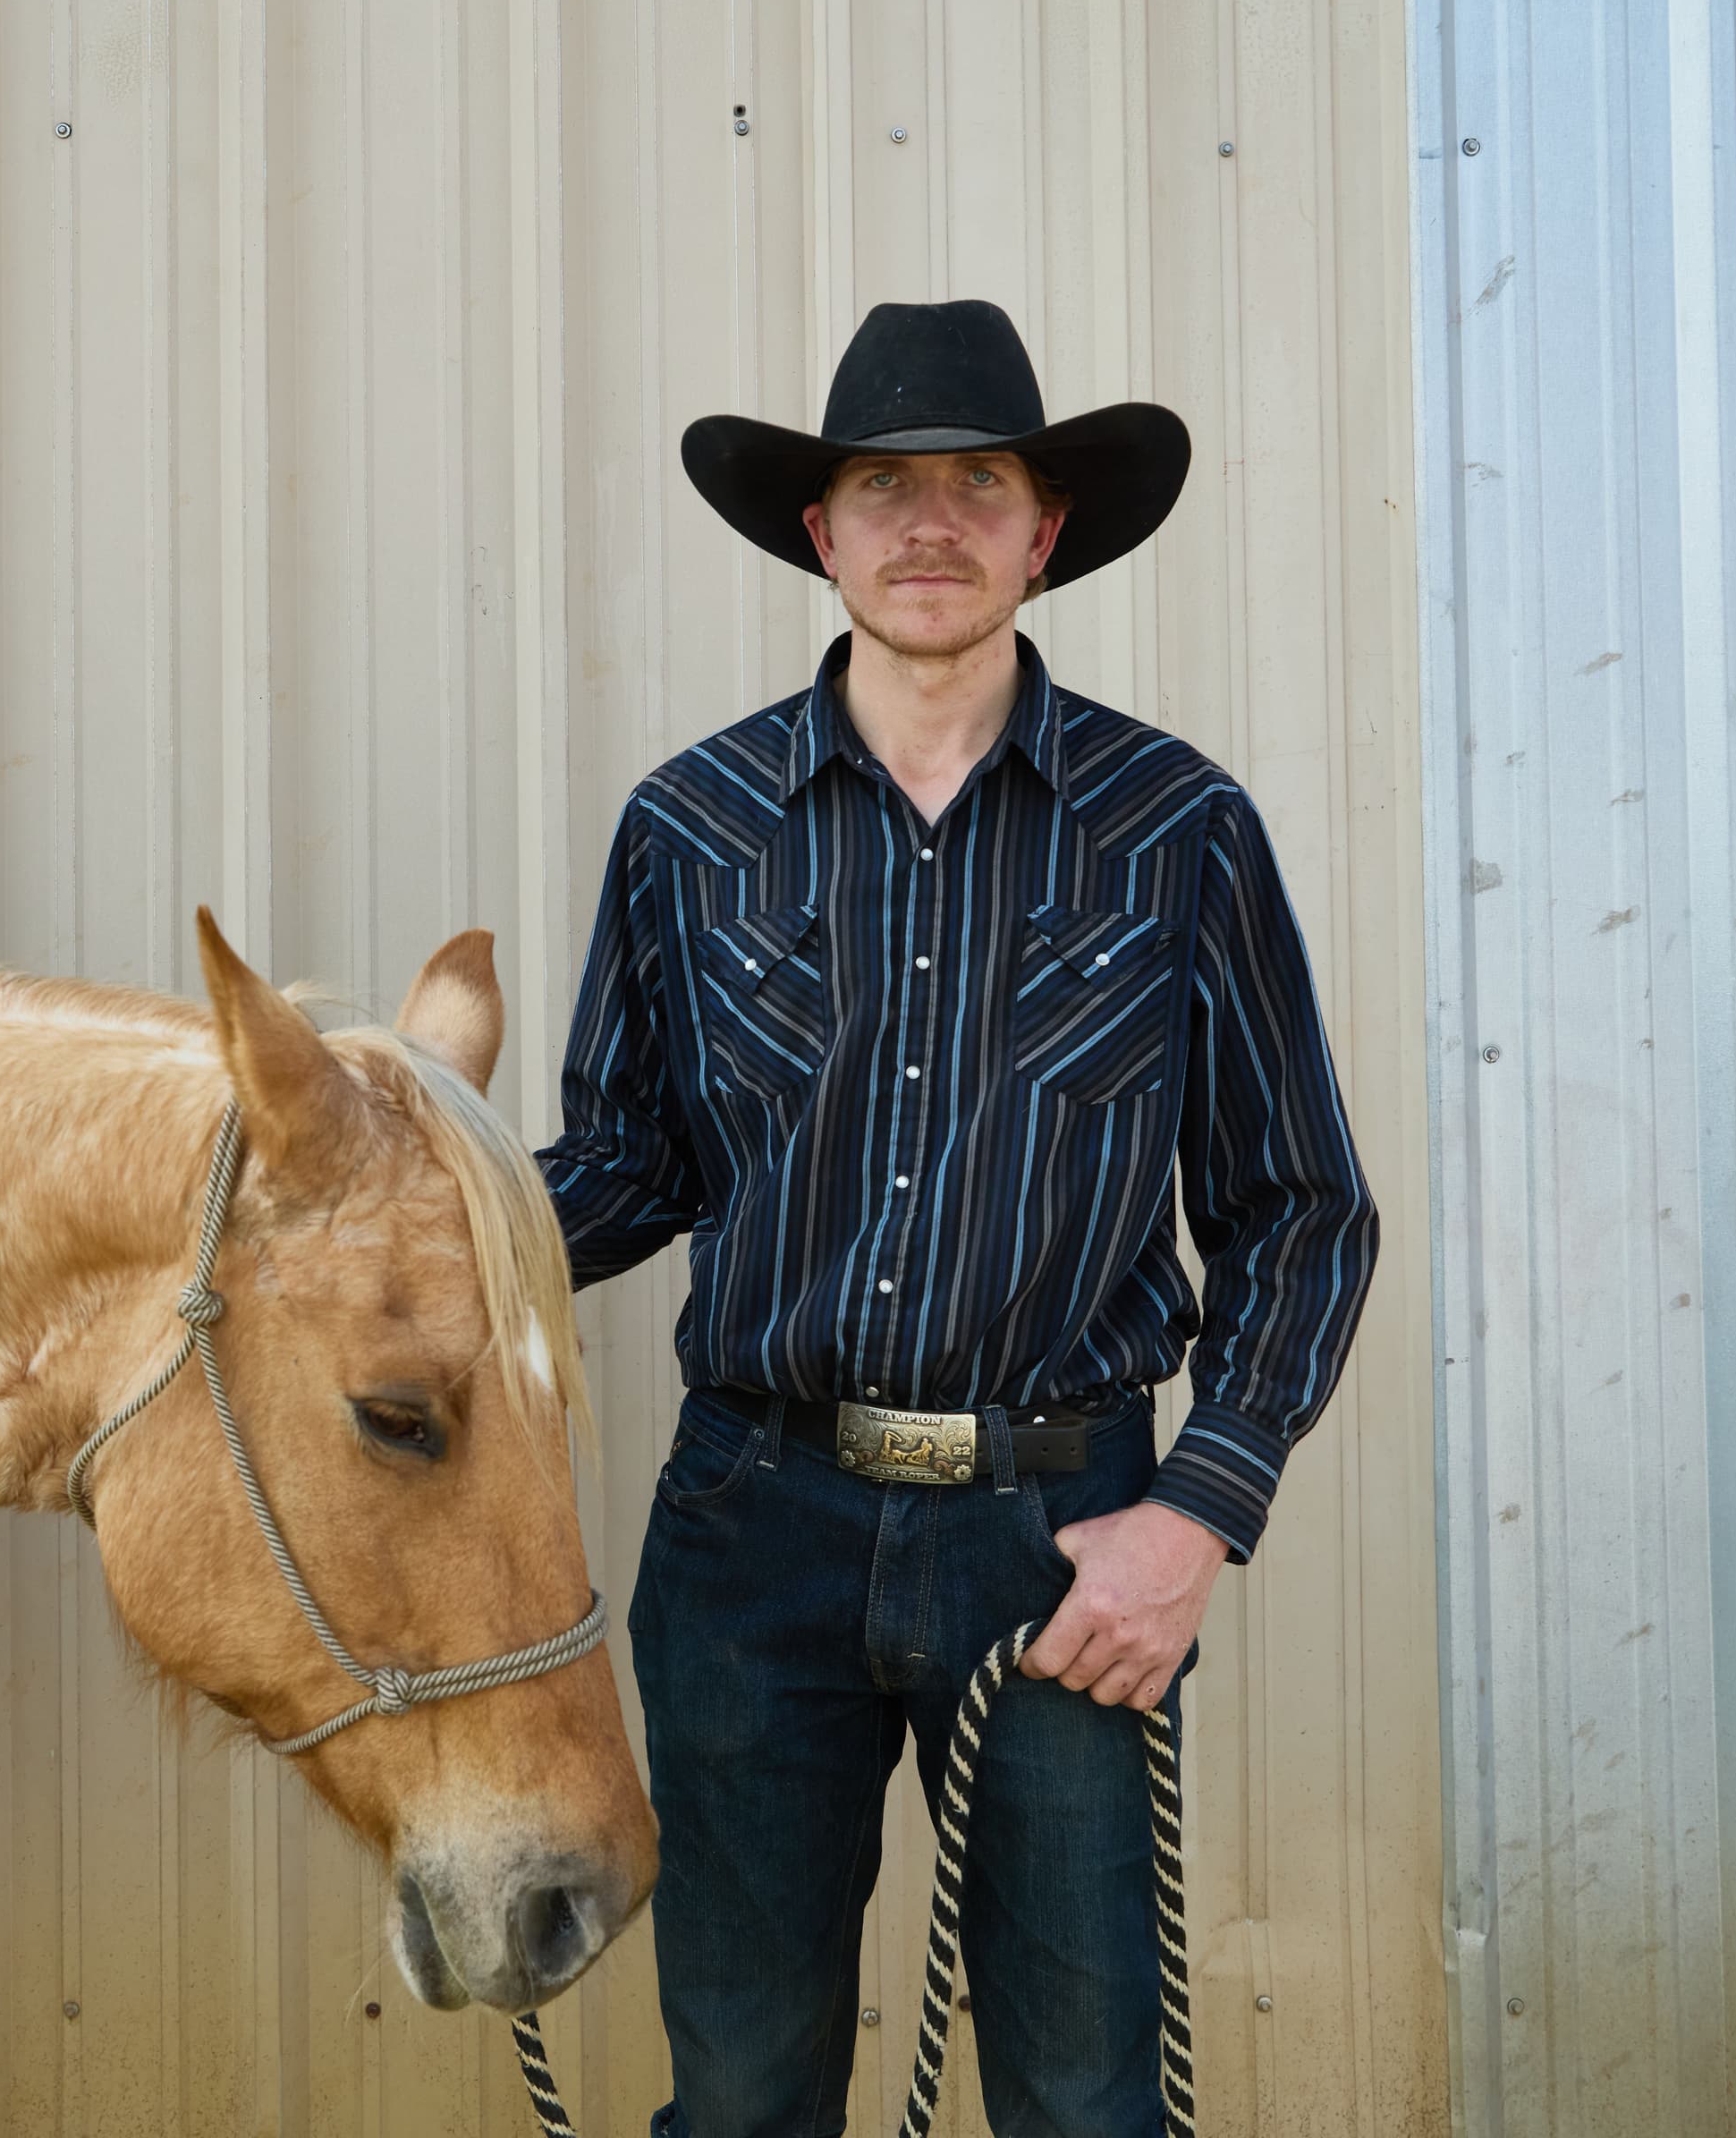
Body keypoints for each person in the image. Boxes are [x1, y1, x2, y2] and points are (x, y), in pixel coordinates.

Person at [538, 299, 1378, 2138]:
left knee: (1085, 2101)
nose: (932, 522)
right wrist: (389, 1216)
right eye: (883, 486)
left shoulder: (1179, 831)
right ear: (819, 533)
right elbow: (626, 1164)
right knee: (745, 2089)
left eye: (977, 482)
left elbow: (1302, 1208)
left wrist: (1198, 1514)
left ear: (1042, 531)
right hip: (753, 1527)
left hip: (1065, 1533)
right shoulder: (690, 830)